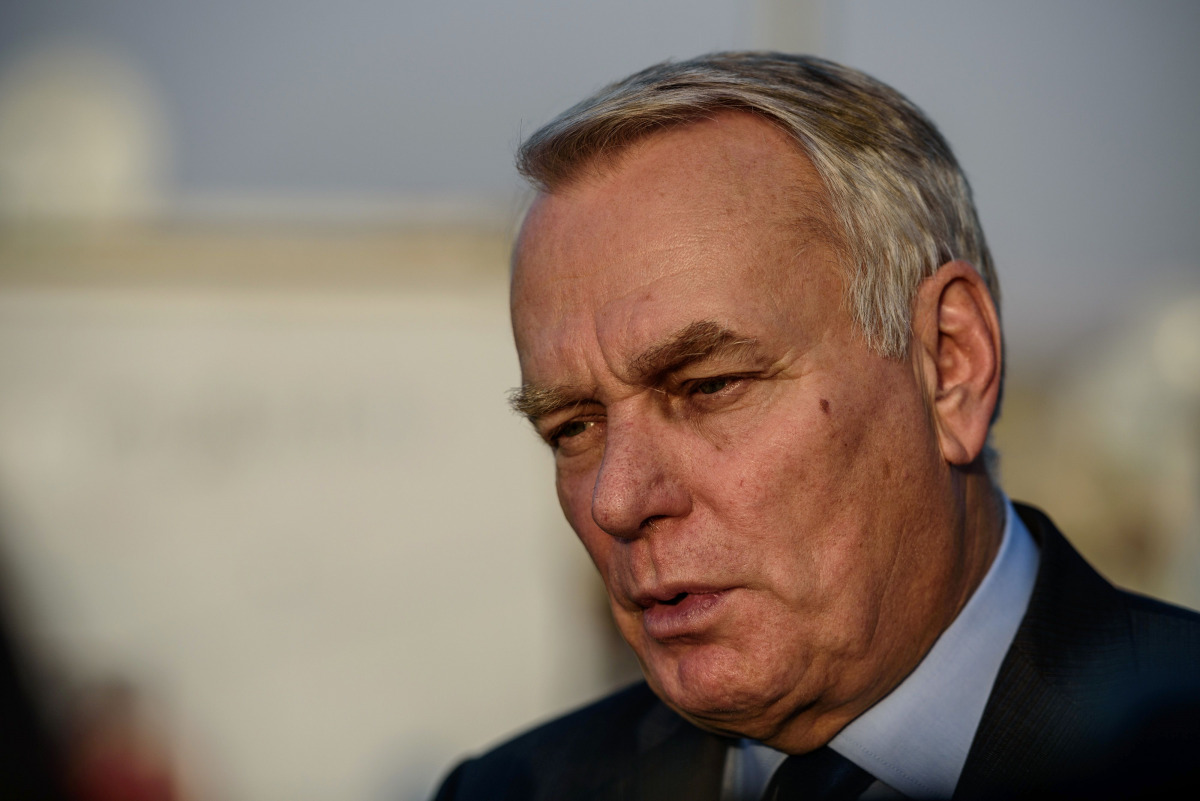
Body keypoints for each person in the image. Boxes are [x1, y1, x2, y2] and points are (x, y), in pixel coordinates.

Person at [432, 52, 1200, 800]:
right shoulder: (510, 787)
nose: (618, 499)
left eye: (708, 386)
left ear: (950, 363)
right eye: (571, 427)